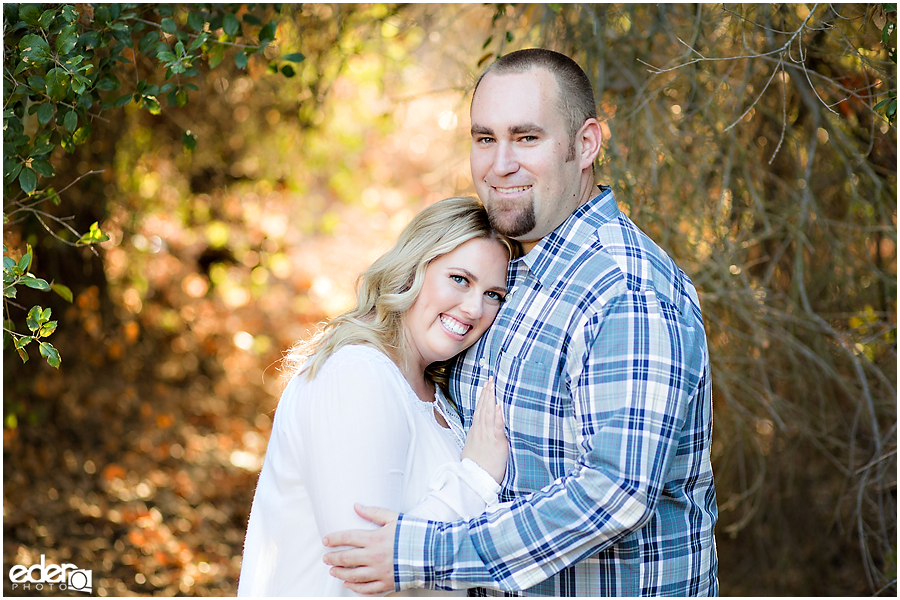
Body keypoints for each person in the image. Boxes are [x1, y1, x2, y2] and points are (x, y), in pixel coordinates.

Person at [322, 48, 719, 596]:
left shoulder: (626, 288)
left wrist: (424, 552)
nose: (498, 163)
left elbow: (616, 490)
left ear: (585, 145)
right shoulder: (509, 272)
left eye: (526, 138)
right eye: (484, 138)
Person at [237, 196, 519, 596]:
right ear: (411, 272)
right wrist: (474, 479)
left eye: (494, 294)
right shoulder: (357, 375)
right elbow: (362, 574)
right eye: (460, 279)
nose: (474, 308)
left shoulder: (432, 394)